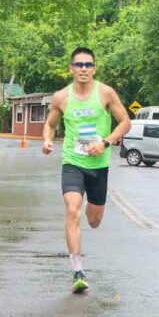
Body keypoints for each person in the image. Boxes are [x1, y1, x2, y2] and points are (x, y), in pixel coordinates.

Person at [42, 47, 131, 293]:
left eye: (88, 65)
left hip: (99, 165)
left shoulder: (106, 93)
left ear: (94, 68)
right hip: (73, 162)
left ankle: (79, 262)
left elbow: (125, 122)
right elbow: (50, 125)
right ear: (71, 68)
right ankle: (77, 270)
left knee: (94, 221)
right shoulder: (61, 97)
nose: (83, 69)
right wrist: (47, 140)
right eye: (79, 64)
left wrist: (105, 143)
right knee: (72, 210)